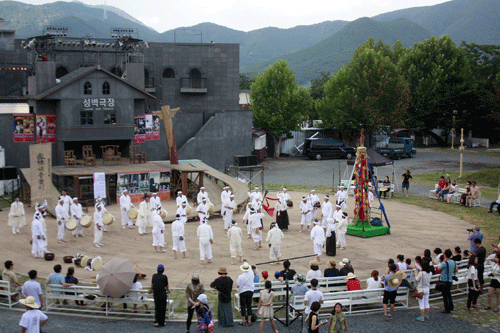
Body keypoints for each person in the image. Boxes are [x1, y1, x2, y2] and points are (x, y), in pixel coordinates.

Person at [236, 262, 255, 326]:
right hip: (250, 290)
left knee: (243, 306)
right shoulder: (251, 273)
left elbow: (238, 285)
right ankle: (249, 320)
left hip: (243, 291)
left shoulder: (241, 276)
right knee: (249, 305)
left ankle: (243, 320)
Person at [439, 249, 457, 313]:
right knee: (449, 294)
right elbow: (456, 270)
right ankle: (451, 306)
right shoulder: (453, 262)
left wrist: (442, 262)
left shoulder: (444, 263)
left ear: (445, 255)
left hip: (444, 280)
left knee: (445, 295)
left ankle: (447, 308)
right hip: (450, 280)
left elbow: (439, 269)